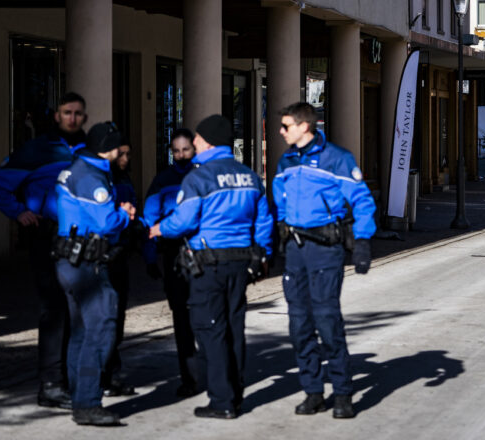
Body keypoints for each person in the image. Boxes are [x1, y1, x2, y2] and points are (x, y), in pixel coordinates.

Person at [149, 115, 273, 419]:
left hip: (208, 263)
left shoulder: (199, 178)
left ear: (207, 142)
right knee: (234, 327)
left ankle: (222, 400)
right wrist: (263, 255)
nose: (193, 144)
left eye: (197, 139)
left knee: (211, 329)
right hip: (240, 262)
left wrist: (159, 229)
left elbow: (185, 221)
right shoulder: (249, 176)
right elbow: (264, 221)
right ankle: (236, 392)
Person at [273, 102, 376, 419]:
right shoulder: (286, 161)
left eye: (286, 126)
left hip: (325, 249)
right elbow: (278, 201)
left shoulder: (337, 158)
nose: (281, 131)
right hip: (295, 250)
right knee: (299, 324)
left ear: (304, 126)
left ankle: (343, 394)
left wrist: (362, 241)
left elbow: (362, 200)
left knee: (327, 321)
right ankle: (313, 392)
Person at [0, 92, 88, 409]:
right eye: (67, 112)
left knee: (79, 309)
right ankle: (51, 384)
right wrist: (19, 212)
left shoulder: (88, 150)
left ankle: (73, 378)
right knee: (54, 309)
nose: (72, 118)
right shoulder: (36, 150)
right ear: (57, 116)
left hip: (83, 239)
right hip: (48, 238)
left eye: (78, 113)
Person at [54, 121, 136, 426]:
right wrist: (124, 215)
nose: (121, 151)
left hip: (71, 260)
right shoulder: (91, 175)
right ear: (109, 148)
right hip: (86, 265)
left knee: (81, 332)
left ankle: (79, 397)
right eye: (119, 146)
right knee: (101, 328)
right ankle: (88, 403)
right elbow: (105, 223)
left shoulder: (78, 168)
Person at [141, 128, 199, 397]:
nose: (181, 155)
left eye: (185, 149)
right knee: (181, 317)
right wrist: (150, 255)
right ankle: (189, 377)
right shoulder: (162, 180)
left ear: (194, 149)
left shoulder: (202, 175)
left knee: (204, 314)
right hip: (174, 253)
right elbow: (150, 219)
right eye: (176, 151)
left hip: (201, 249)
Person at [101, 138, 137, 397]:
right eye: (121, 153)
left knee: (117, 317)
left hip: (121, 252)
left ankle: (111, 372)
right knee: (105, 318)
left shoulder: (125, 179)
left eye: (128, 154)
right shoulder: (102, 180)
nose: (125, 159)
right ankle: (103, 375)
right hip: (104, 253)